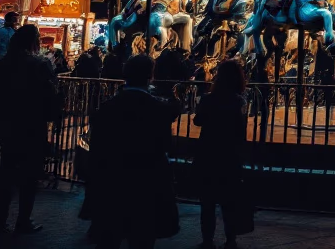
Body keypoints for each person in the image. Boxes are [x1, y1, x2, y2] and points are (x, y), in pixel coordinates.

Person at [86, 54, 181, 248]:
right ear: (150, 76)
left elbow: (96, 146)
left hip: (112, 179)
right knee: (142, 237)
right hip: (145, 181)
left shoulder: (107, 107)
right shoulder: (158, 109)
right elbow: (165, 144)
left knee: (109, 236)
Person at [0, 24, 59, 234]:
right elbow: (50, 96)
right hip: (32, 125)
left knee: (6, 173)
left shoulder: (1, 64)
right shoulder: (40, 64)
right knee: (29, 176)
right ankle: (23, 220)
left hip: (7, 125)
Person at [193, 59, 251, 248]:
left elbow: (198, 121)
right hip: (229, 155)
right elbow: (240, 131)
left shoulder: (208, 98)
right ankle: (230, 239)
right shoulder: (238, 101)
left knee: (207, 203)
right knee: (229, 202)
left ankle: (207, 240)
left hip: (208, 153)